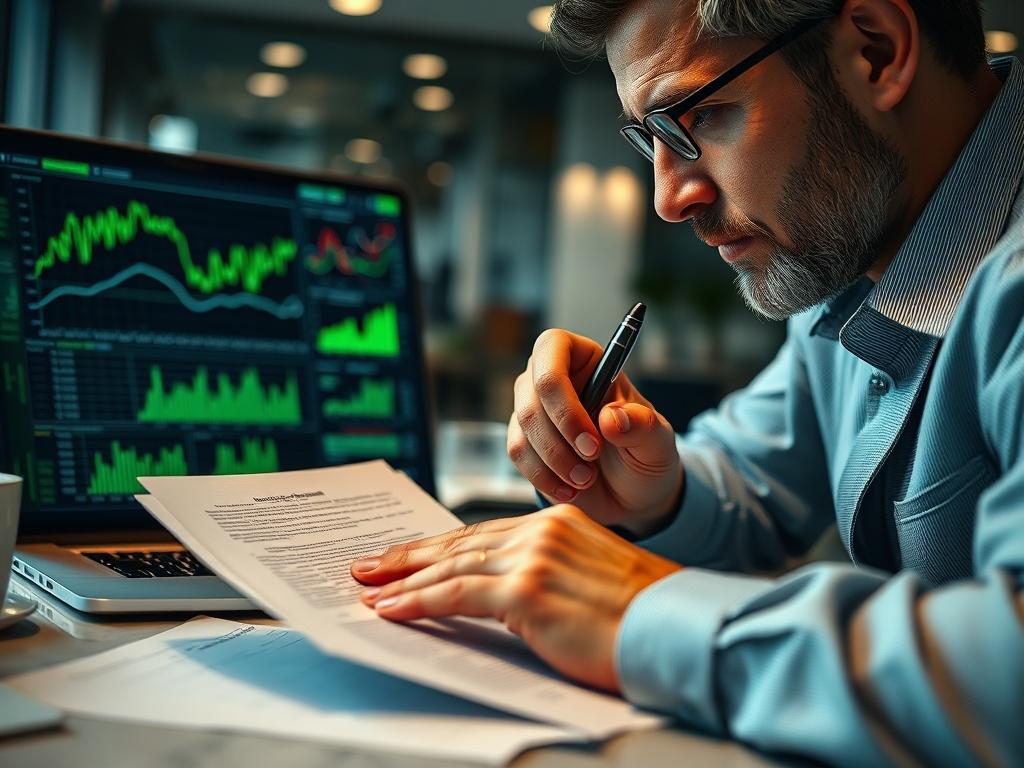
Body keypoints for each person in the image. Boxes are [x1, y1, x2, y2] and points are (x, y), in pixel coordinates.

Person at [351, 0, 1024, 763]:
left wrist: (639, 611)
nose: (670, 200)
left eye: (698, 117)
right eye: (651, 138)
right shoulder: (858, 262)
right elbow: (751, 480)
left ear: (876, 51)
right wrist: (645, 490)